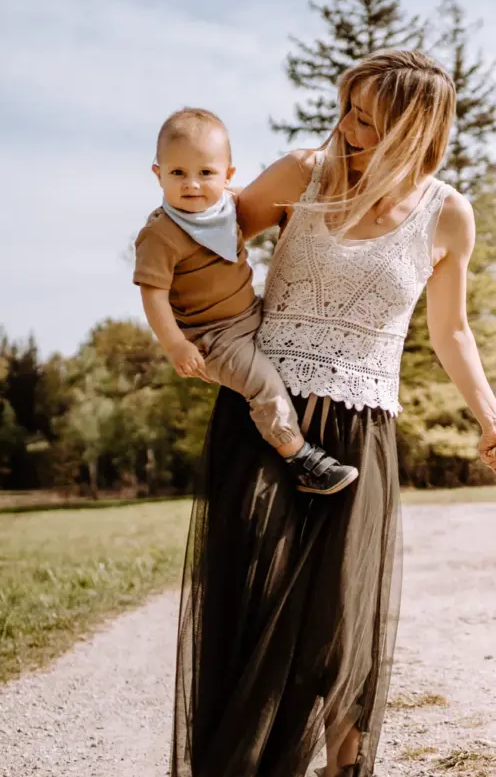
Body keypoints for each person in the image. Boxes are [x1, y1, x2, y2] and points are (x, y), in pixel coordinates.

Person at [169, 50, 496, 777]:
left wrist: (494, 421)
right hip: (266, 416)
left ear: (414, 125)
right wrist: (188, 327)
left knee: (342, 613)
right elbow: (200, 239)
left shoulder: (447, 214)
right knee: (262, 592)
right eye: (347, 107)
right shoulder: (303, 172)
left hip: (364, 420)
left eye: (367, 114)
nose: (348, 125)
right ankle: (272, 759)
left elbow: (452, 330)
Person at [134, 108, 357, 495]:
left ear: (228, 175)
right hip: (213, 337)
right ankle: (303, 460)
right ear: (158, 174)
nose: (192, 185)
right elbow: (152, 295)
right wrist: (175, 344)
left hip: (251, 312)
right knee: (263, 385)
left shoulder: (228, 207)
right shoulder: (160, 234)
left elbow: (291, 186)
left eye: (205, 173)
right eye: (177, 173)